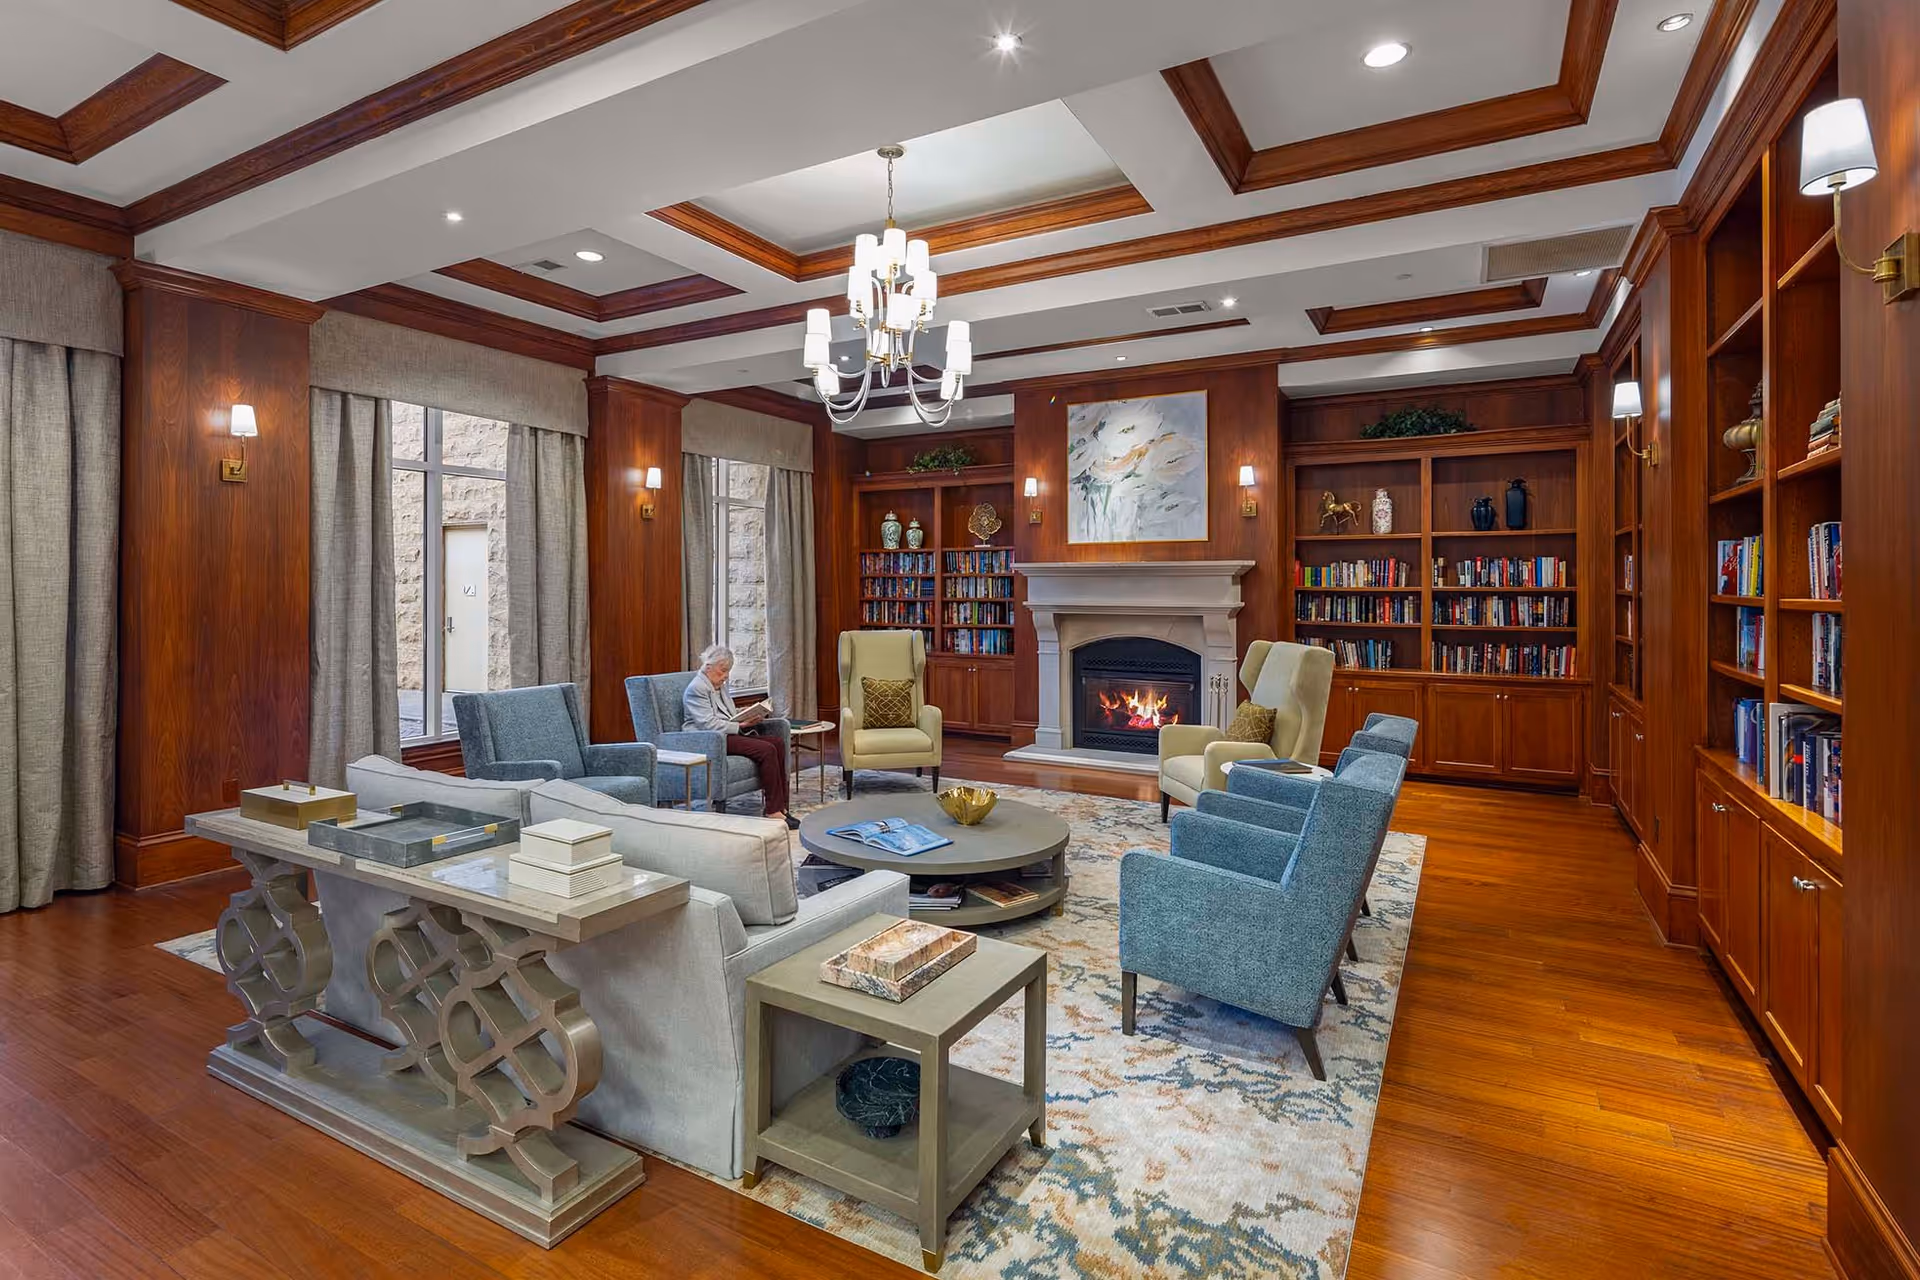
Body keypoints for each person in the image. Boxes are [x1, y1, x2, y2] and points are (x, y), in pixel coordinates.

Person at [683, 643, 796, 829]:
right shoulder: (697, 688)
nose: (726, 676)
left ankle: (781, 806)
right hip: (709, 739)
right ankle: (773, 811)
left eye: (728, 671)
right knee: (766, 750)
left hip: (725, 733)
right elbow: (707, 724)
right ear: (708, 667)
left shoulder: (719, 685)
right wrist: (739, 725)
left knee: (777, 743)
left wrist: (746, 713)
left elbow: (726, 713)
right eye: (723, 671)